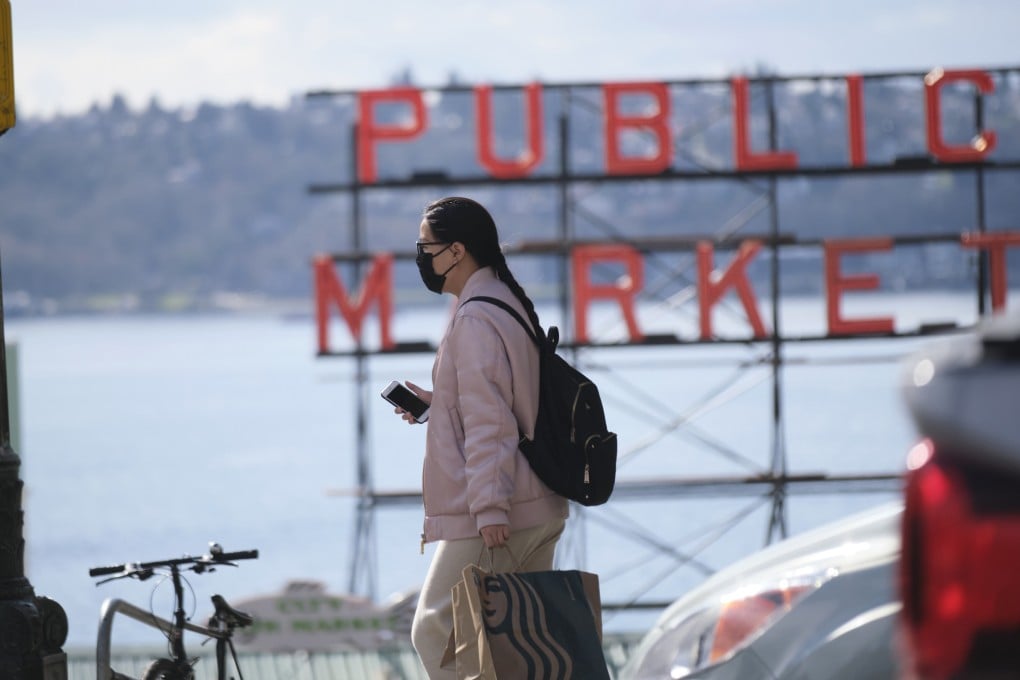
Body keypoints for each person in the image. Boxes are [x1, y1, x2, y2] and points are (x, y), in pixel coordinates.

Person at [394, 196, 569, 679]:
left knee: (434, 626)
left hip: (500, 511)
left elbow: (492, 422)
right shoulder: (503, 302)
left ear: (456, 251)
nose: (421, 257)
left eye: (425, 246)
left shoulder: (473, 317)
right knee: (518, 645)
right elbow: (504, 401)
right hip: (538, 501)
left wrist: (490, 506)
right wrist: (440, 404)